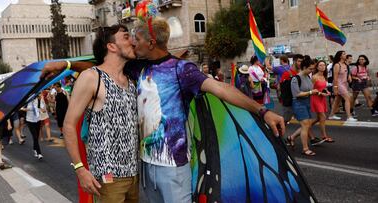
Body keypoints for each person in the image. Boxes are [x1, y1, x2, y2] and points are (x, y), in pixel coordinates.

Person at [42, 18, 284, 203]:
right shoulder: (136, 69)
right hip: (142, 168)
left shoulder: (182, 70)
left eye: (135, 38)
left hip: (172, 167)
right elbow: (100, 66)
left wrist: (262, 111)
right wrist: (65, 64)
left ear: (151, 42)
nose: (133, 42)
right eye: (128, 38)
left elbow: (220, 88)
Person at [64, 25, 139, 202]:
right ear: (111, 46)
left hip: (134, 175)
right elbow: (68, 125)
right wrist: (80, 169)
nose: (133, 42)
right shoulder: (92, 77)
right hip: (108, 178)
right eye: (126, 37)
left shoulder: (131, 81)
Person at [287, 56, 318, 156]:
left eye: (313, 69)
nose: (312, 71)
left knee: (308, 124)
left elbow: (310, 90)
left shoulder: (308, 77)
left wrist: (318, 93)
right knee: (305, 125)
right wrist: (310, 92)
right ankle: (305, 149)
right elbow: (296, 94)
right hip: (299, 104)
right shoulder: (296, 79)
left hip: (307, 102)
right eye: (310, 68)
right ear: (304, 67)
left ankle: (291, 137)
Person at [328, 51, 357, 121]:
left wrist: (349, 77)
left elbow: (347, 73)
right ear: (340, 56)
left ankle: (331, 115)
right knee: (348, 98)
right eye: (344, 54)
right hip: (338, 84)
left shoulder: (345, 64)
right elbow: (335, 78)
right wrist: (335, 88)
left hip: (344, 84)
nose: (345, 55)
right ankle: (349, 117)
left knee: (337, 100)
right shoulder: (337, 65)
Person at [311, 60, 334, 143]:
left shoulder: (324, 76)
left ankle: (307, 126)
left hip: (322, 98)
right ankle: (324, 136)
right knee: (323, 117)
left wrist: (326, 91)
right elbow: (311, 89)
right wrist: (321, 93)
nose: (322, 67)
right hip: (315, 98)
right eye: (320, 65)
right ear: (317, 67)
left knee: (318, 118)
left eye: (324, 65)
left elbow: (322, 87)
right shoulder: (314, 77)